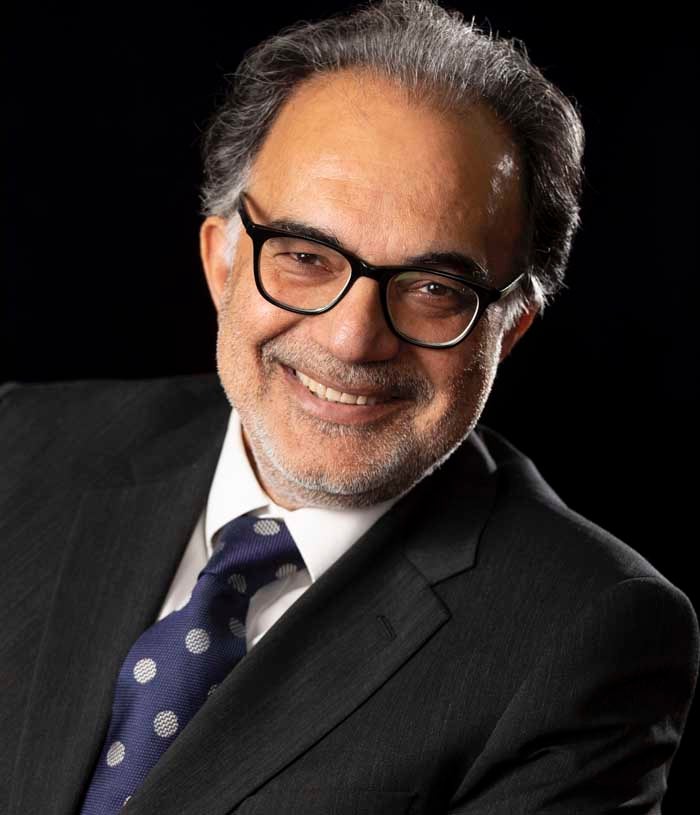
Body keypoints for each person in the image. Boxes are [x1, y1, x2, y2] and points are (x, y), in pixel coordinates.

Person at [1, 1, 697, 813]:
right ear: (221, 262)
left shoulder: (586, 635)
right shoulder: (20, 446)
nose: (352, 338)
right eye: (305, 256)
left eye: (433, 288)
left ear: (507, 331)